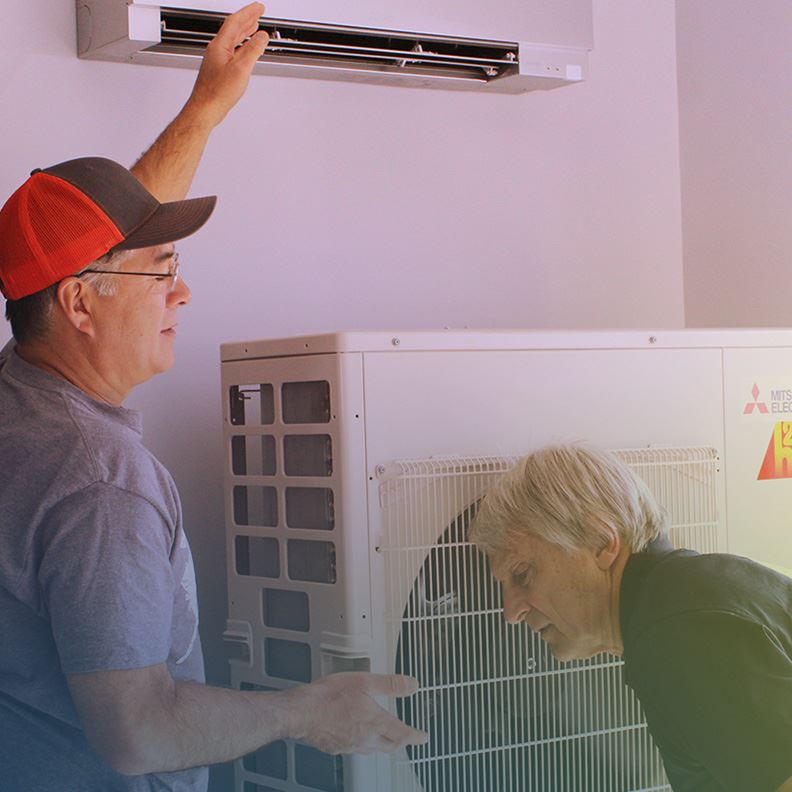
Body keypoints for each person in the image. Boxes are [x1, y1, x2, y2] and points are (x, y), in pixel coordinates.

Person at [0, 4, 426, 791]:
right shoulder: (99, 483)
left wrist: (205, 108)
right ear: (80, 305)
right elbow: (138, 734)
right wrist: (303, 712)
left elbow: (110, 242)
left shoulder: (18, 391)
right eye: (163, 272)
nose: (184, 291)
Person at [469, 444, 792, 792]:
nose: (511, 612)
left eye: (522, 575)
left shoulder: (683, 637)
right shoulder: (688, 600)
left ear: (601, 541)